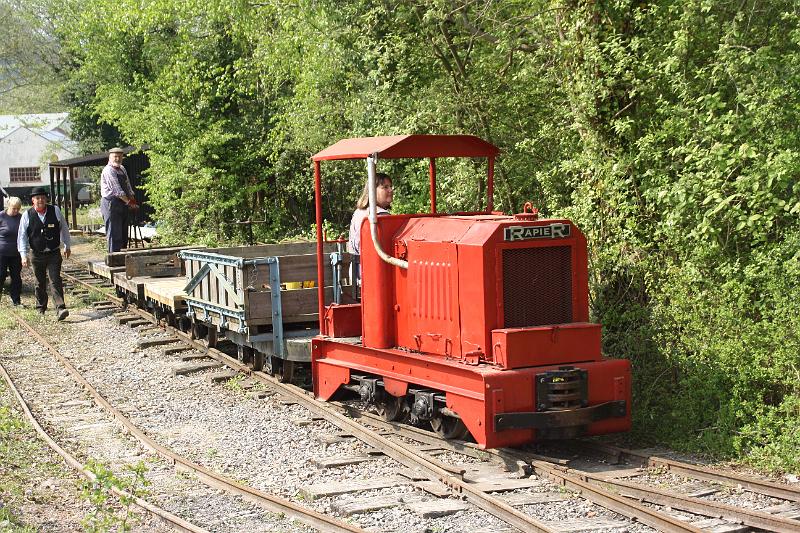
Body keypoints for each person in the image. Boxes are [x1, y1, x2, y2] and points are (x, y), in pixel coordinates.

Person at [17, 187, 71, 320]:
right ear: (33, 201)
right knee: (39, 282)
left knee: (55, 280)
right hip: (36, 253)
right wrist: (23, 255)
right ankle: (41, 308)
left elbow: (64, 228)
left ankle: (60, 308)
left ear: (46, 199)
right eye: (37, 198)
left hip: (53, 252)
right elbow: (22, 236)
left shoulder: (55, 210)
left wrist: (67, 245)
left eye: (42, 197)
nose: (40, 200)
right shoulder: (27, 214)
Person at [100, 147, 137, 252]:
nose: (117, 159)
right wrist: (129, 202)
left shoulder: (122, 169)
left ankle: (123, 258)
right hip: (111, 203)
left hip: (123, 203)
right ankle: (114, 258)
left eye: (120, 156)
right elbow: (117, 191)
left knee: (123, 233)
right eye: (115, 156)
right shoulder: (108, 170)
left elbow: (128, 187)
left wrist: (133, 201)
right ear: (110, 157)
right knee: (114, 233)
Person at [347, 172, 393, 255]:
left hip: (356, 265)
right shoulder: (381, 215)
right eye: (385, 187)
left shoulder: (359, 211)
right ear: (372, 191)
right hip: (372, 266)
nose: (390, 190)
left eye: (390, 186)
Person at [0, 196, 23, 306]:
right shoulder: (1, 216)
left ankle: (16, 300)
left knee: (16, 277)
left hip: (16, 253)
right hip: (2, 253)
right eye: (14, 208)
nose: (16, 211)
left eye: (18, 209)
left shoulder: (21, 218)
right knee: (1, 275)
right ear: (8, 206)